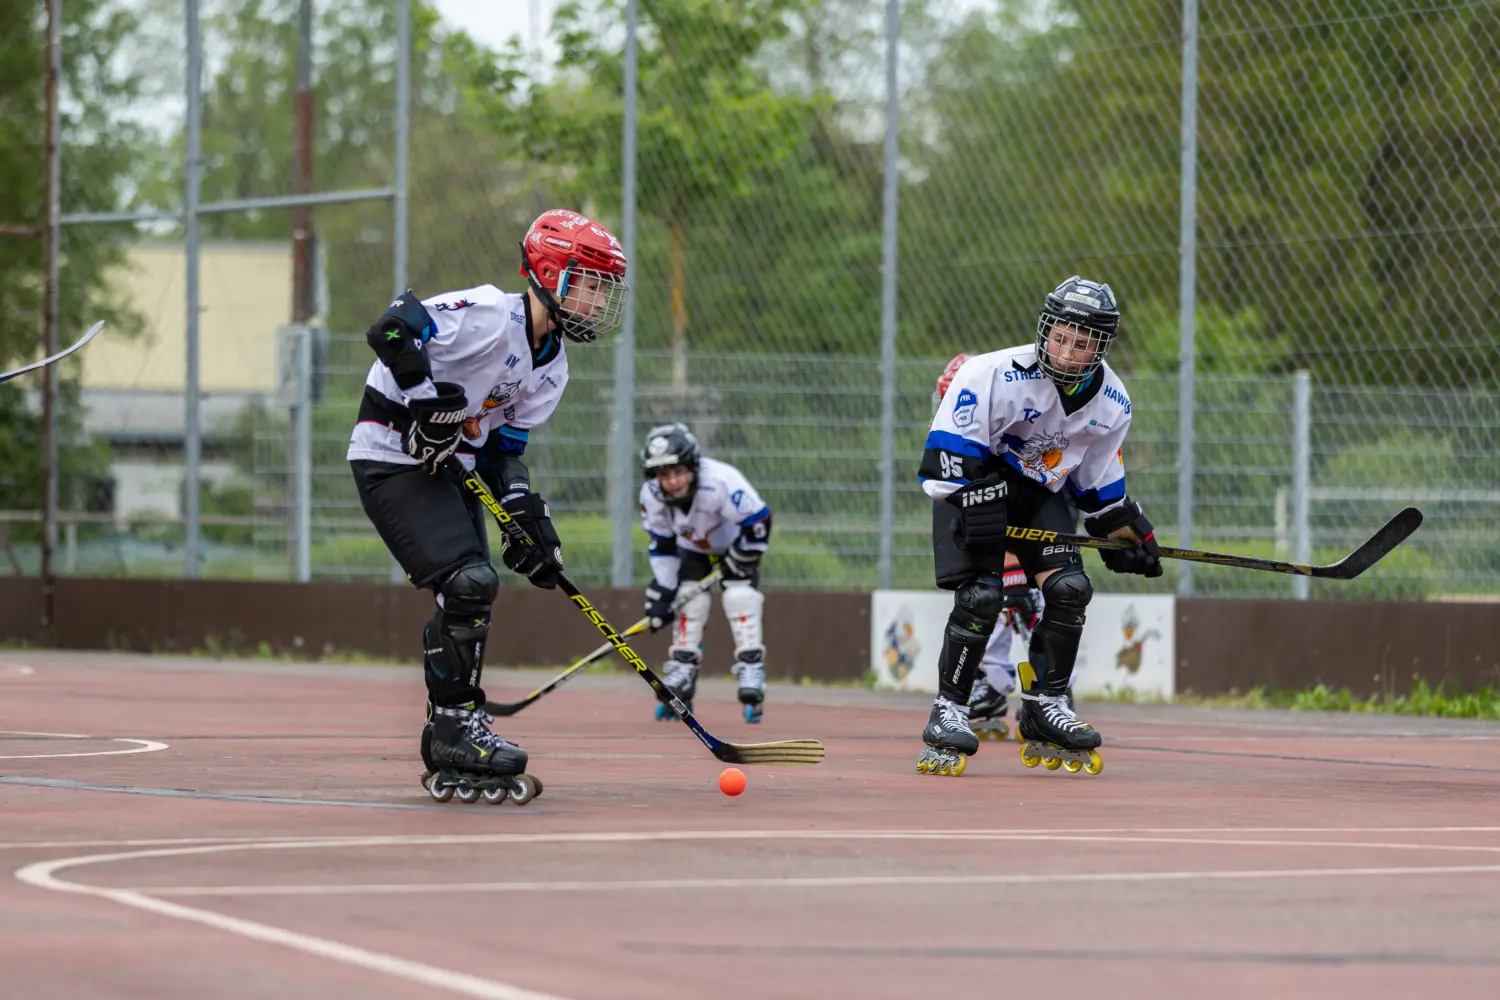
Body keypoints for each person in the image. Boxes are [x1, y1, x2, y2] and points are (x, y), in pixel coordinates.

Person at [347, 208, 628, 801]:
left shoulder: (553, 368)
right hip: (390, 455)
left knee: (470, 590)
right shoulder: (487, 317)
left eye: (604, 292)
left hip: (454, 466)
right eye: (587, 286)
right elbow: (391, 329)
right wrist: (426, 403)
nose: (597, 304)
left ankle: (448, 726)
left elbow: (504, 450)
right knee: (470, 581)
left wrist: (526, 513)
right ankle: (454, 728)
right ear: (549, 273)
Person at [915, 276, 1162, 777]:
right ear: (1045, 329)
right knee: (982, 596)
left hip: (1041, 493)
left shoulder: (1113, 402)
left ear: (1102, 345)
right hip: (976, 486)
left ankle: (1046, 705)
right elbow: (944, 459)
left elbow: (1097, 491)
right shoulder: (990, 373)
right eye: (1061, 336)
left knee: (1070, 588)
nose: (1069, 351)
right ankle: (950, 710)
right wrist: (975, 499)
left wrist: (1131, 536)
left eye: (1084, 341)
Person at [933, 353, 1045, 741]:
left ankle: (1050, 691)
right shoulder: (957, 432)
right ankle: (992, 686)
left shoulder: (1013, 420)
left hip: (1035, 502)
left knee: (1034, 599)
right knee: (986, 598)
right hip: (993, 528)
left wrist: (1015, 564)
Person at [638, 422, 774, 723]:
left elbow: (760, 521)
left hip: (735, 545)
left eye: (678, 472)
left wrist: (744, 556)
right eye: (663, 474)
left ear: (694, 466)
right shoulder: (651, 496)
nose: (672, 482)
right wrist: (663, 590)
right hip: (693, 549)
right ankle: (683, 666)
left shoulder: (722, 481)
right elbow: (662, 545)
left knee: (739, 597)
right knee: (688, 598)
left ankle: (752, 667)